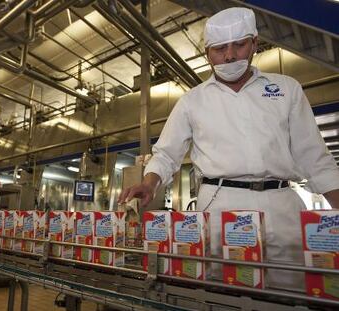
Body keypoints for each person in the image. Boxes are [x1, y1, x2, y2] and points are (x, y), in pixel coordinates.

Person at [118, 7, 339, 289]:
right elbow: (166, 153)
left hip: (282, 210)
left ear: (255, 43)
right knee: (228, 291)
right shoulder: (192, 101)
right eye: (220, 48)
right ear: (208, 53)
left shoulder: (286, 89)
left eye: (239, 44)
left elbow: (315, 156)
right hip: (222, 210)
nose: (230, 55)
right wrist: (149, 184)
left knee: (293, 290)